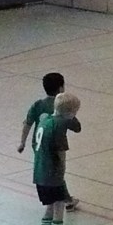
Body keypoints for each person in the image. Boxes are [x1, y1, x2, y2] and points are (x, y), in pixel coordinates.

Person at [18, 72, 80, 211]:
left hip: (38, 144)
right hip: (55, 144)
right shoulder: (61, 106)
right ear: (61, 88)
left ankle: (57, 198)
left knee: (46, 170)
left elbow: (27, 123)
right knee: (57, 172)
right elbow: (76, 127)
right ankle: (65, 200)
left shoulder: (38, 104)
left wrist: (22, 142)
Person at [34, 93, 80, 225]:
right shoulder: (59, 126)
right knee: (59, 208)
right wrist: (61, 173)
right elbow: (60, 153)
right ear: (70, 112)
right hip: (53, 174)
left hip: (40, 173)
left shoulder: (45, 120)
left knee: (49, 207)